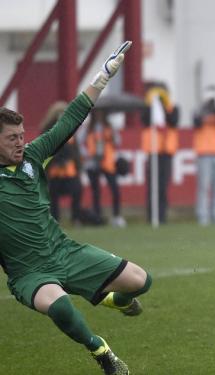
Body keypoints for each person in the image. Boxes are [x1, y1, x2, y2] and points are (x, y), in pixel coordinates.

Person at [0, 41, 151, 375]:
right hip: (29, 273)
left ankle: (116, 301)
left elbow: (68, 121)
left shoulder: (34, 157)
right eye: (12, 138)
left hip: (65, 252)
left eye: (22, 135)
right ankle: (102, 353)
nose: (20, 142)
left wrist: (103, 76)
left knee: (142, 281)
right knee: (59, 306)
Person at [39, 101, 83, 226]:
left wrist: (79, 167)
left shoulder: (71, 129)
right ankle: (55, 221)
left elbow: (75, 150)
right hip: (54, 172)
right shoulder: (47, 131)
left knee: (77, 191)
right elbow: (44, 152)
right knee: (53, 198)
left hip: (70, 171)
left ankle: (75, 218)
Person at [141, 81, 179, 224]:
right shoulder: (149, 108)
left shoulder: (173, 108)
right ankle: (151, 216)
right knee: (152, 186)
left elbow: (173, 121)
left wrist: (165, 105)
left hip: (166, 152)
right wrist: (152, 104)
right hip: (152, 152)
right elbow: (145, 121)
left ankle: (162, 216)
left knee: (163, 186)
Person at [192, 85, 215, 226]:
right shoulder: (199, 110)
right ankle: (202, 217)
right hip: (204, 153)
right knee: (203, 186)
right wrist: (205, 108)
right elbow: (196, 123)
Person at [83, 108, 125, 227]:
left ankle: (116, 216)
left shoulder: (110, 127)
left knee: (115, 190)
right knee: (96, 192)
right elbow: (80, 144)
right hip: (93, 163)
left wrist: (111, 136)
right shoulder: (88, 128)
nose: (99, 114)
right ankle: (97, 216)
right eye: (97, 112)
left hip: (107, 163)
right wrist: (88, 155)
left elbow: (118, 142)